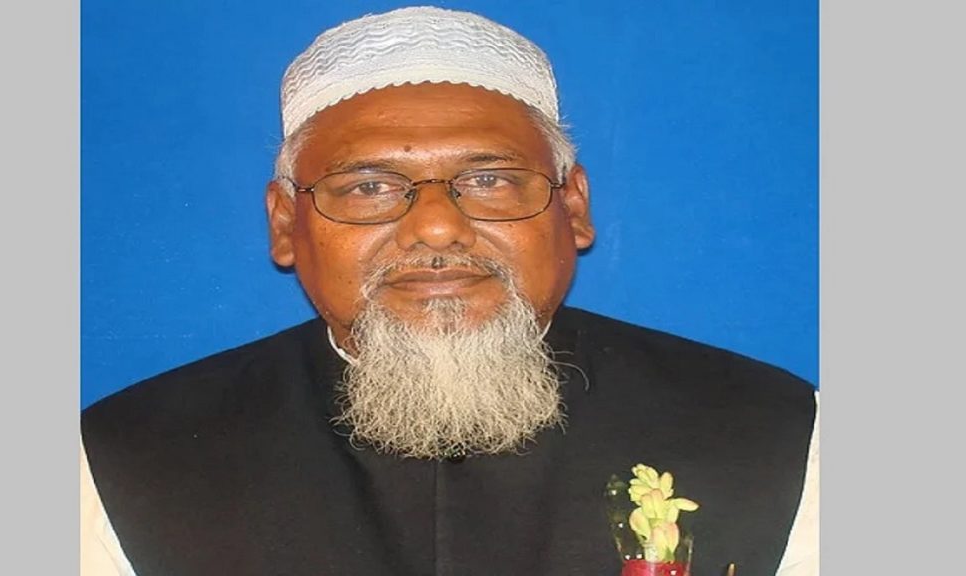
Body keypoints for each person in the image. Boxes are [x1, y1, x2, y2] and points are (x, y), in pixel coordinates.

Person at [81, 6, 818, 575]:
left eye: (489, 179)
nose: (436, 227)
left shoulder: (775, 431)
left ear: (573, 208)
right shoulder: (128, 457)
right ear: (284, 224)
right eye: (368, 186)